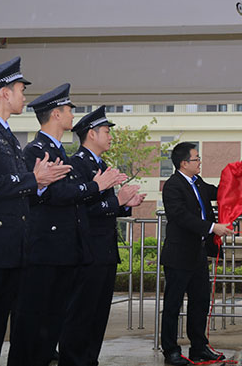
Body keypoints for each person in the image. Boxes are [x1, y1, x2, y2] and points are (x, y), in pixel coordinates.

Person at [7, 84, 125, 366]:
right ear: (56, 114)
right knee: (31, 328)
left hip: (64, 253)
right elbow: (53, 195)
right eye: (69, 110)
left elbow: (68, 197)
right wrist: (96, 186)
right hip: (44, 252)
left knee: (49, 329)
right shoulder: (37, 150)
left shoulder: (59, 150)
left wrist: (102, 191)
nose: (73, 115)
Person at [0, 57, 71, 366]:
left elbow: (17, 190)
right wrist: (33, 179)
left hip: (10, 252)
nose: (24, 96)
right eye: (19, 89)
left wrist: (39, 184)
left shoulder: (6, 135)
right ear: (4, 93)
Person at [59, 105, 146, 366]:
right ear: (91, 134)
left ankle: (89, 360)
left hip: (105, 251)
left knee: (98, 315)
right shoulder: (77, 165)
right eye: (106, 131)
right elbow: (81, 210)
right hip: (87, 252)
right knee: (80, 314)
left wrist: (126, 203)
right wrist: (116, 200)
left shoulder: (101, 164)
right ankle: (73, 361)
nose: (110, 136)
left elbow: (106, 208)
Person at [160, 142, 234, 366]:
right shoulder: (173, 186)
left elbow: (217, 192)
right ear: (184, 163)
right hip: (179, 255)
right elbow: (181, 216)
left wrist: (240, 180)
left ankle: (199, 348)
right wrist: (212, 228)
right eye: (196, 159)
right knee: (173, 305)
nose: (199, 162)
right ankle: (171, 351)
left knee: (200, 303)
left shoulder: (197, 182)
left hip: (198, 254)